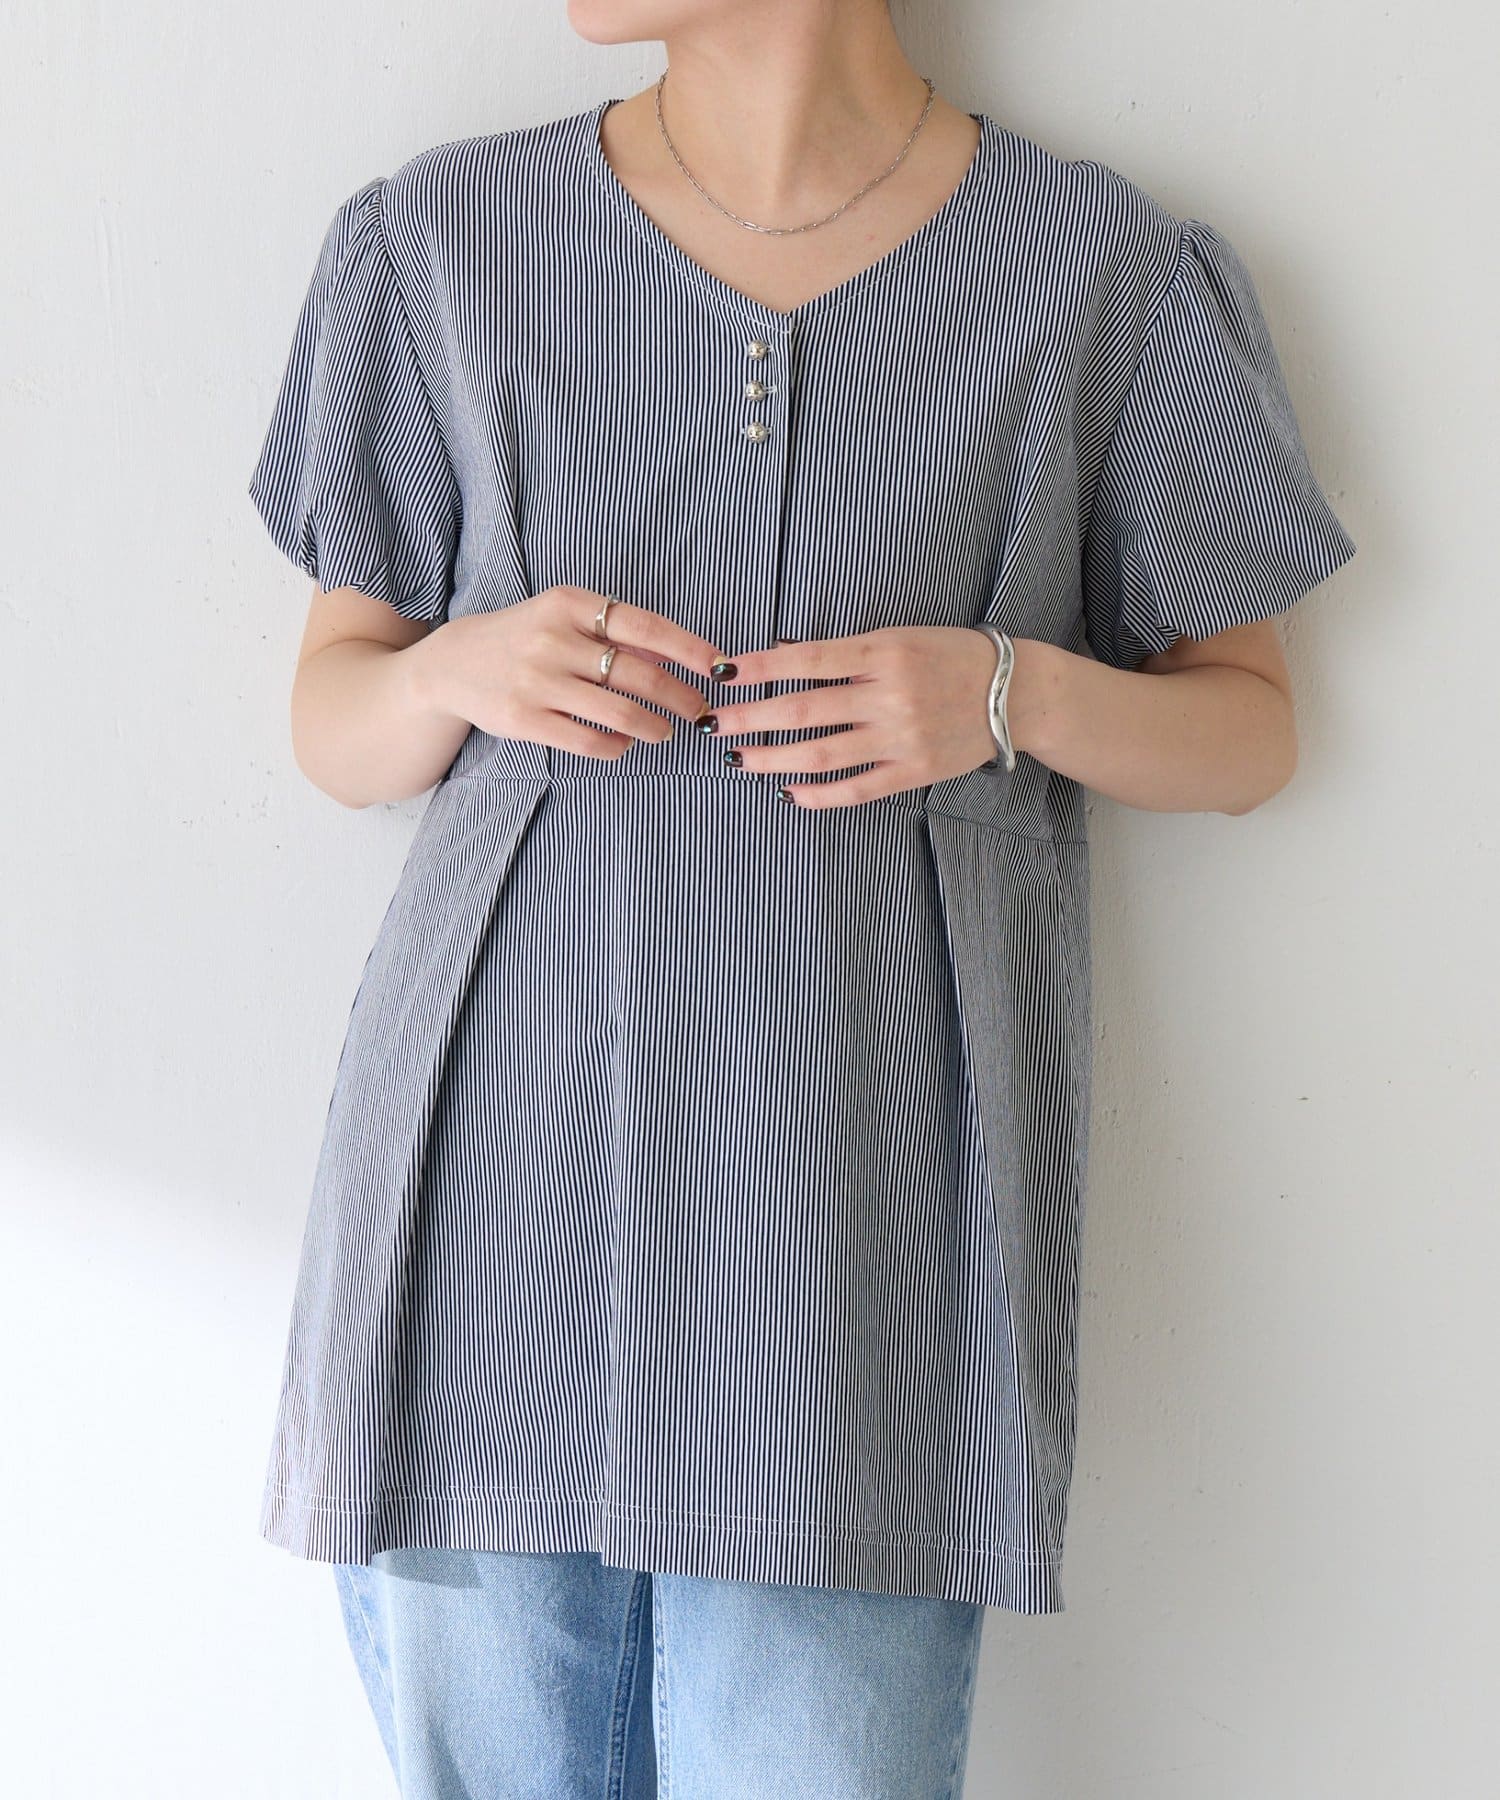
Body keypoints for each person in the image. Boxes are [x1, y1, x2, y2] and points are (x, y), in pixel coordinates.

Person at [245, 1, 1358, 1792]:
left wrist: (1003, 693)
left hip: (854, 1267)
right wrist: (459, 669)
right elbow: (333, 720)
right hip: (489, 1239)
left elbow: (1249, 731)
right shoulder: (442, 243)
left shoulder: (1098, 274)